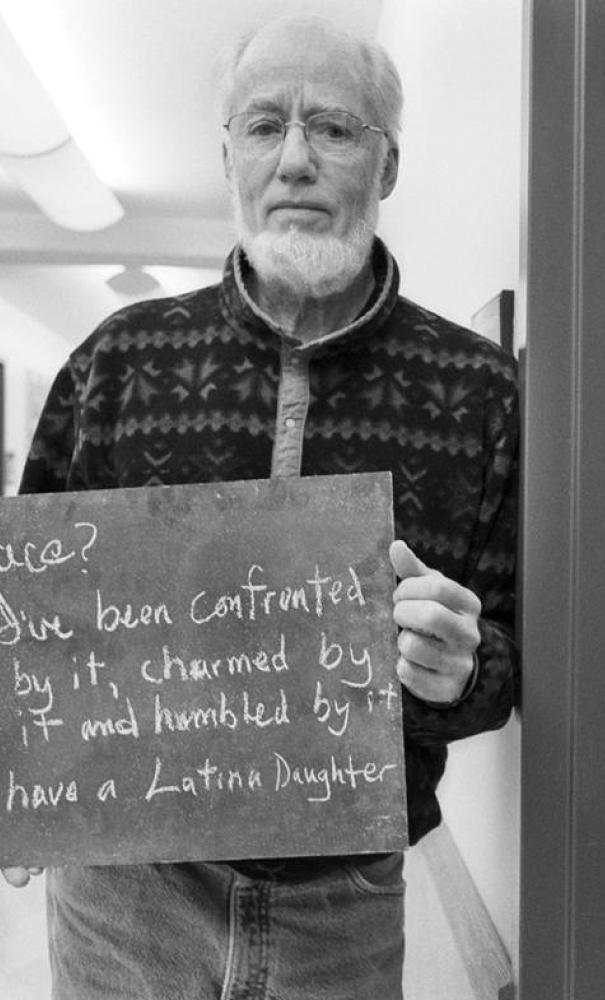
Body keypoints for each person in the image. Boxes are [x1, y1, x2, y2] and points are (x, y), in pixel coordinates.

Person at [8, 15, 518, 1000]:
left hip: (344, 901)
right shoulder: (120, 361)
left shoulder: (483, 389)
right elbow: (31, 624)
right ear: (227, 156)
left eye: (333, 127)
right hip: (125, 898)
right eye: (262, 126)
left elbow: (514, 651)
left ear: (389, 163)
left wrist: (464, 666)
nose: (294, 160)